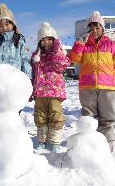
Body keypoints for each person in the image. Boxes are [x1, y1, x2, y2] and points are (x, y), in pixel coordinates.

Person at [69, 11, 115, 152]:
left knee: (107, 118)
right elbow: (74, 59)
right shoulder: (83, 44)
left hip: (107, 87)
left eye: (98, 27)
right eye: (92, 28)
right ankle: (88, 147)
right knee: (88, 118)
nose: (95, 31)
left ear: (103, 28)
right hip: (87, 86)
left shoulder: (112, 45)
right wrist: (80, 43)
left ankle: (106, 146)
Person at [31, 22, 70, 152]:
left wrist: (56, 51)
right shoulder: (36, 56)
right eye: (43, 40)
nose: (46, 42)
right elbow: (33, 73)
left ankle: (54, 141)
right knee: (40, 115)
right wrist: (32, 89)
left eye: (49, 39)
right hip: (40, 91)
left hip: (55, 91)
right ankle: (42, 140)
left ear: (54, 40)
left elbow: (62, 66)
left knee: (56, 115)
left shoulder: (60, 55)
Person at [0, 3, 31, 78]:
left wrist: (27, 79)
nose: (4, 28)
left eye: (7, 24)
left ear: (13, 24)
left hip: (16, 80)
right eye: (0, 26)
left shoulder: (20, 42)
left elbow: (25, 61)